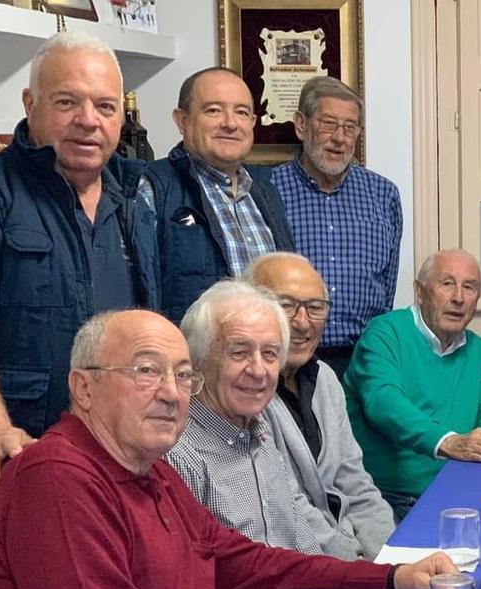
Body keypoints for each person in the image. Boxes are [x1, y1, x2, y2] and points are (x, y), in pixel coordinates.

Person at [0, 309, 455, 589]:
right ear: (84, 388)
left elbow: (249, 567)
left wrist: (390, 580)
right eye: (146, 371)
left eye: (183, 375)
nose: (171, 392)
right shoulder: (56, 481)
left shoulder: (150, 472)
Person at [0, 33, 160, 507]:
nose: (88, 121)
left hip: (120, 457)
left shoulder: (137, 193)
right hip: (21, 455)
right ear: (30, 103)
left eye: (105, 106)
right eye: (67, 102)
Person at [168, 280, 370, 589]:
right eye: (239, 352)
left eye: (270, 354)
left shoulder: (259, 434)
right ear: (198, 362)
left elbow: (302, 545)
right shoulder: (179, 456)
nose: (258, 370)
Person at [345, 249, 481, 520]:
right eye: (447, 283)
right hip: (392, 498)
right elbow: (383, 402)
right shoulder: (385, 332)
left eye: (469, 287)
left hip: (460, 490)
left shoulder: (476, 348)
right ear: (419, 292)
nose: (458, 298)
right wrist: (449, 442)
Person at [246, 252, 395, 561]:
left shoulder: (325, 378)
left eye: (315, 308)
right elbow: (289, 509)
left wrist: (390, 559)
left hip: (351, 561)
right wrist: (362, 573)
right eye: (286, 305)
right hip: (302, 567)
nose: (303, 322)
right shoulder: (249, 390)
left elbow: (356, 483)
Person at [139, 67, 294, 322]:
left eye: (241, 112)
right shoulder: (155, 188)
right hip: (192, 358)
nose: (230, 123)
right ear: (182, 120)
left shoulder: (266, 193)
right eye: (213, 110)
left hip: (266, 357)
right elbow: (143, 293)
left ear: (253, 123)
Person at [272, 77, 402, 377]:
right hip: (289, 362)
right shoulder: (269, 190)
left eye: (350, 127)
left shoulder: (384, 195)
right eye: (329, 124)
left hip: (364, 364)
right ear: (302, 125)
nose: (340, 138)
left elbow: (387, 288)